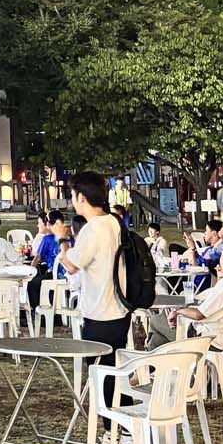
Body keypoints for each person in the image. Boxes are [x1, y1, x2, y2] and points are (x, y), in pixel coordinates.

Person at [61, 171, 130, 399]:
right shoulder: (114, 222)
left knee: (101, 374)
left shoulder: (92, 229)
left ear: (81, 197)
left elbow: (71, 265)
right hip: (120, 309)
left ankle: (111, 420)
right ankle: (122, 416)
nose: (72, 200)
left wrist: (61, 239)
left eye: (72, 195)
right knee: (115, 372)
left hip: (99, 314)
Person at [150, 238, 223, 349]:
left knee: (155, 321)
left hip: (207, 340)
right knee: (157, 339)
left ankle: (153, 357)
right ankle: (157, 356)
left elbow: (198, 314)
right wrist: (220, 278)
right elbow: (221, 303)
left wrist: (177, 311)